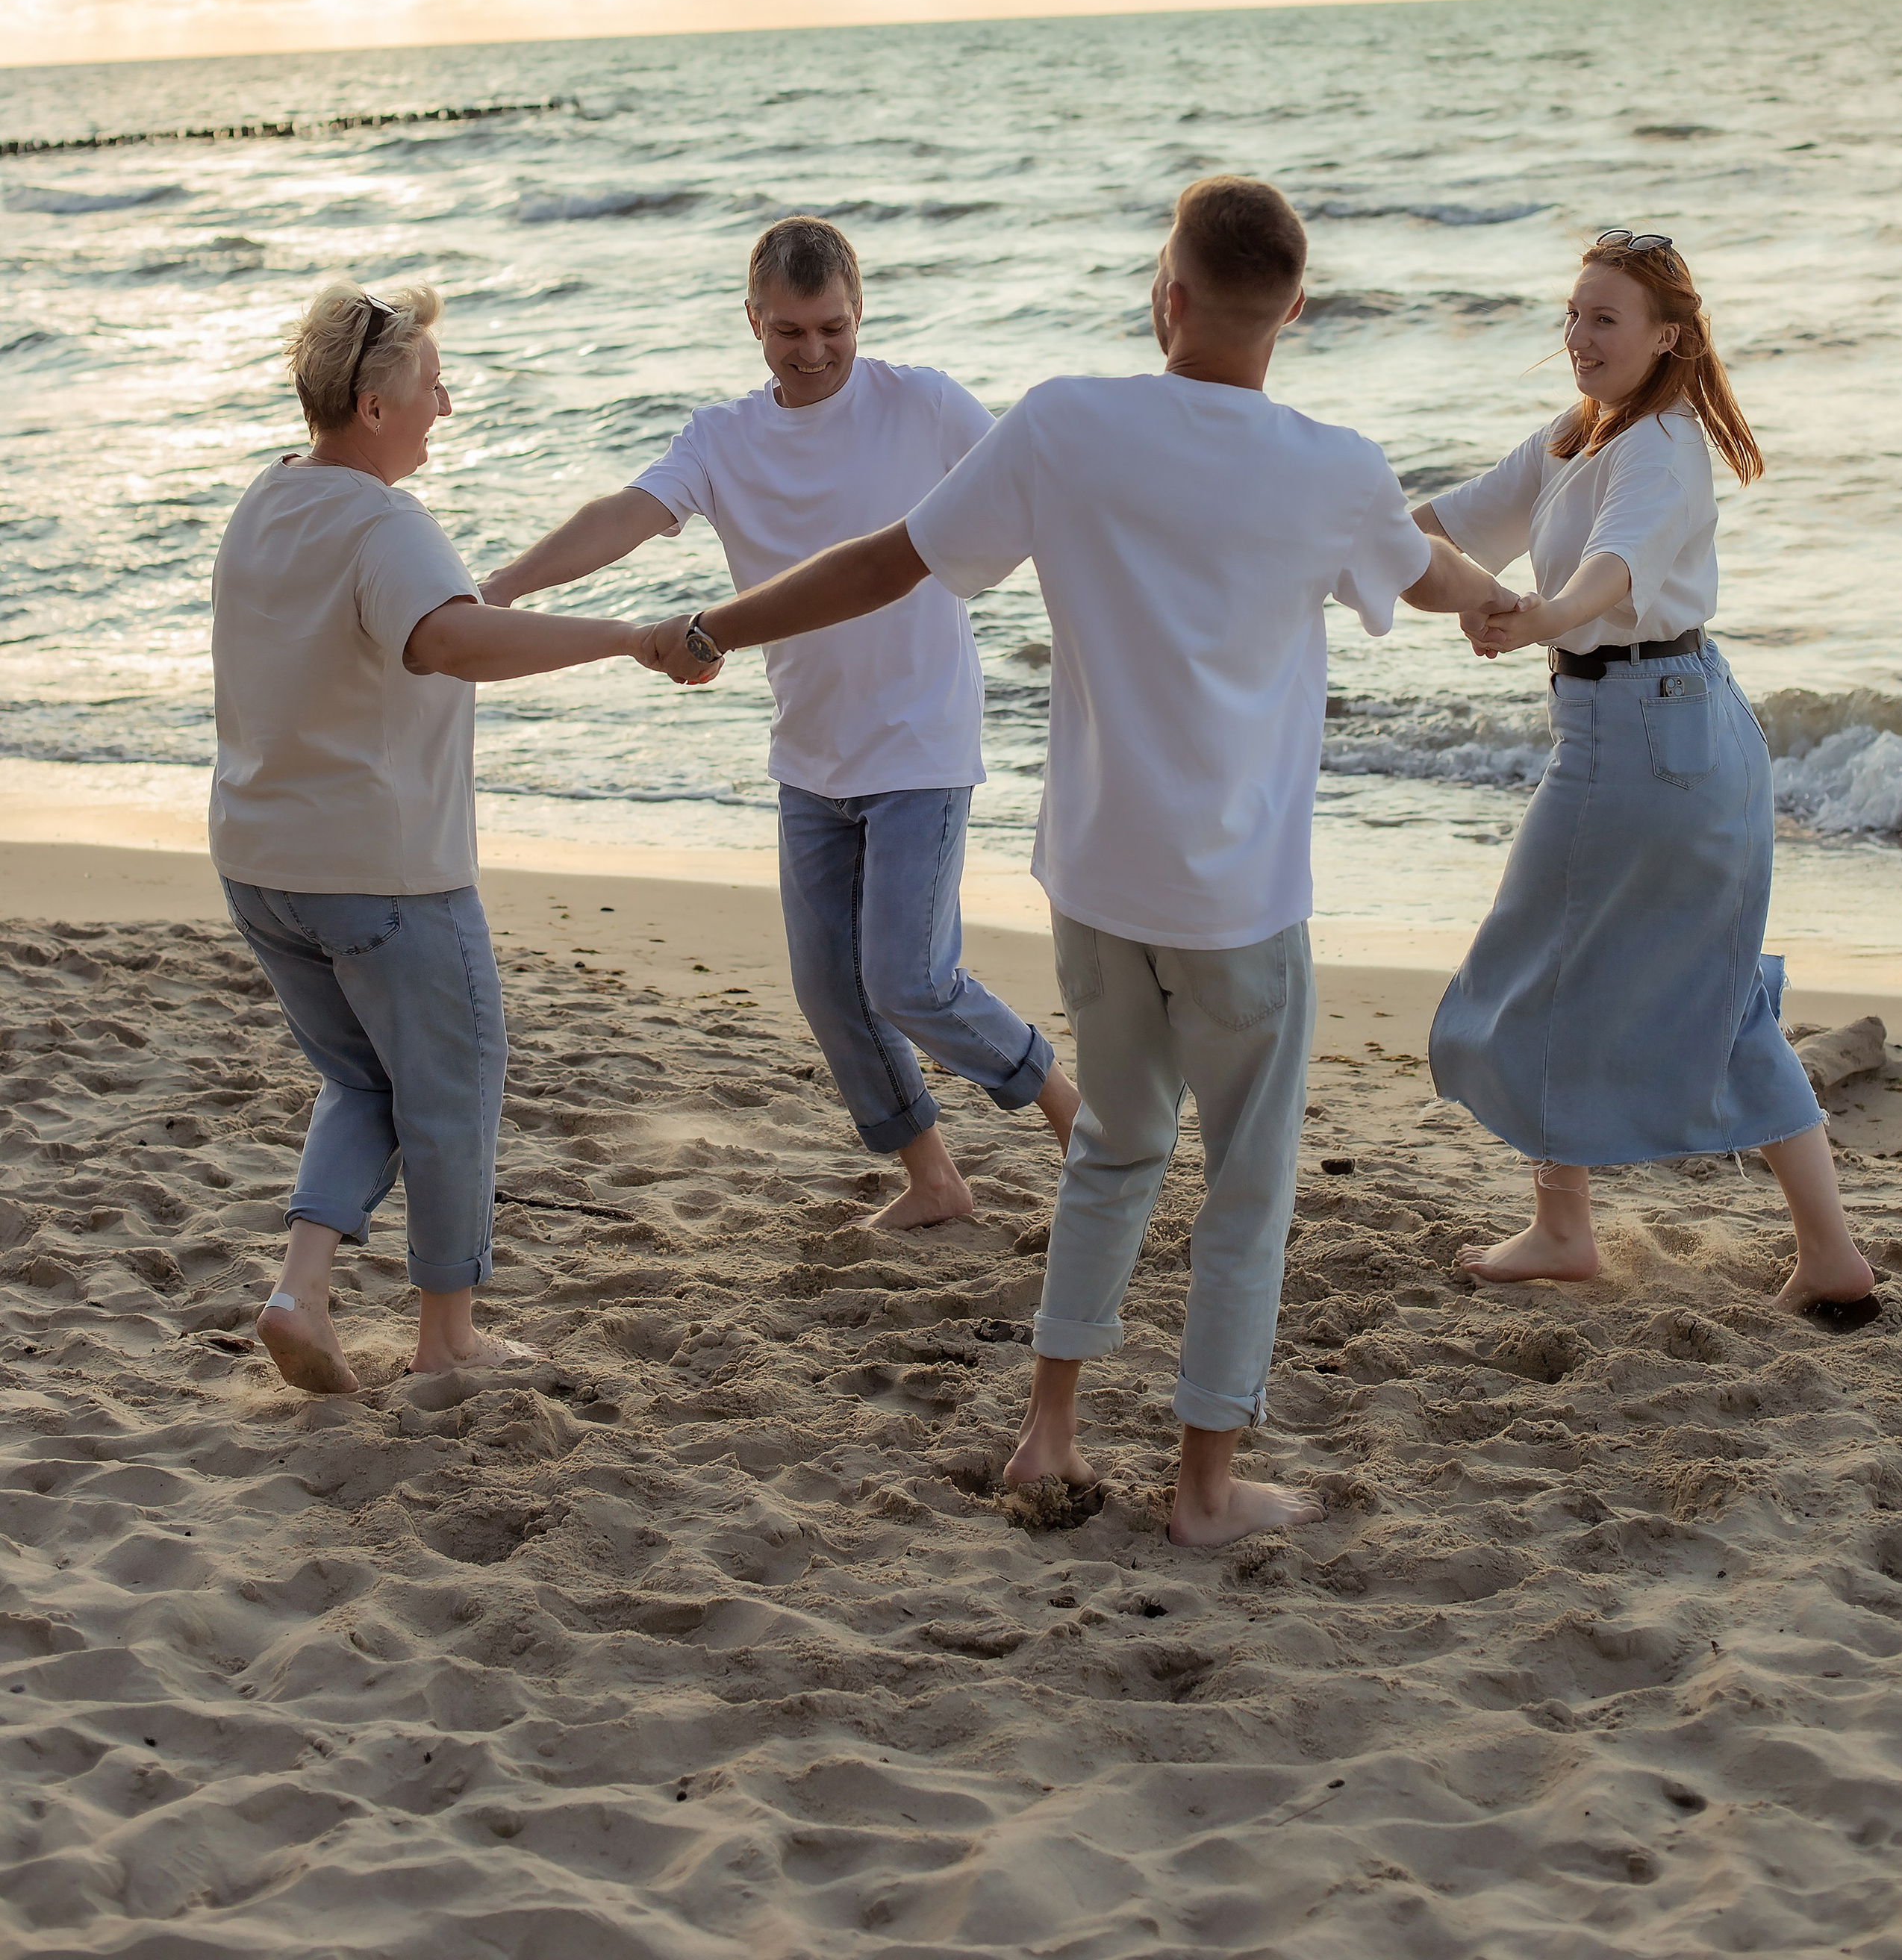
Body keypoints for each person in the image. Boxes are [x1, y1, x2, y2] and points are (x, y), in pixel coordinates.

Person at [649, 179, 1516, 1544]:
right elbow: (1432, 574)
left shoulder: (1065, 423)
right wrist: (1512, 607)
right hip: (1239, 904)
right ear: (1296, 309)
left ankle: (1048, 1433)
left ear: (1167, 295)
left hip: (1099, 883)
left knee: (1113, 1147)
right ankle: (1206, 1490)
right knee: (1245, 1187)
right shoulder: (1338, 470)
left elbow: (885, 563)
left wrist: (716, 625)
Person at [482, 214, 1079, 1230]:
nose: (812, 352)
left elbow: (1037, 506)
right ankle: (933, 1181)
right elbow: (625, 515)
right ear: (753, 319)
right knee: (831, 992)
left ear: (861, 312)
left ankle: (1076, 1120)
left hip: (921, 743)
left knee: (910, 981)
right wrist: (505, 586)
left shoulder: (926, 404)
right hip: (809, 756)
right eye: (790, 331)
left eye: (832, 328)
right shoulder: (722, 438)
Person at [211, 278, 694, 1397]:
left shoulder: (265, 499)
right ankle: (450, 1339)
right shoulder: (383, 524)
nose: (446, 404)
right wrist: (628, 637)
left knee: (365, 1082)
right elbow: (449, 640)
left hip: (261, 864)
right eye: (433, 385)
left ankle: (300, 1290)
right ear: (373, 407)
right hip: (381, 876)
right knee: (452, 1091)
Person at [1420, 228, 1877, 1323]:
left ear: (1667, 336)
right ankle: (1823, 1255)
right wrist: (1320, 537)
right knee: (1701, 992)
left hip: (1648, 738)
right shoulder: (1578, 431)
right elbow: (1446, 527)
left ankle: (1567, 1225)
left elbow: (1613, 572)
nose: (1580, 337)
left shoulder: (1663, 446)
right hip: (1656, 728)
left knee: (1537, 966)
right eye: (1574, 315)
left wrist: (1541, 617)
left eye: (1606, 319)